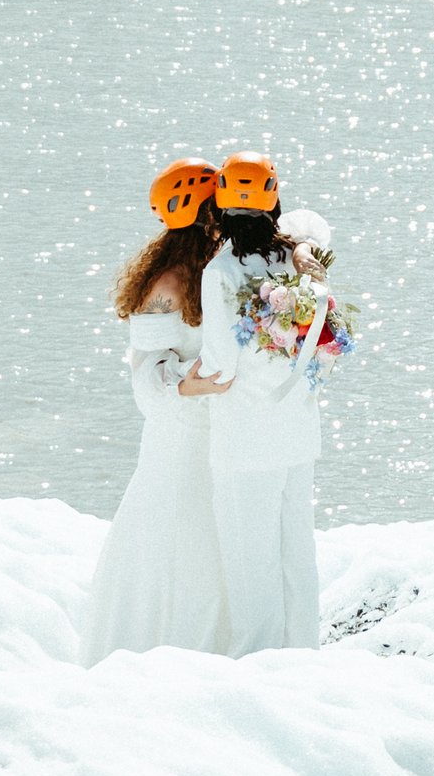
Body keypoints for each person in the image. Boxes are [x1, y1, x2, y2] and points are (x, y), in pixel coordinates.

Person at [77, 157, 234, 663]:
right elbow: (145, 379)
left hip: (230, 428)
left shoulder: (228, 270)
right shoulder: (166, 285)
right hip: (183, 437)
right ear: (205, 214)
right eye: (223, 206)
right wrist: (185, 388)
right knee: (186, 542)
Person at [197, 149, 334, 656]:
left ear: (221, 205)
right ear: (273, 200)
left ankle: (258, 661)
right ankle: (304, 651)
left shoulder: (221, 271)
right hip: (297, 433)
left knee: (249, 557)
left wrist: (183, 382)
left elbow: (219, 366)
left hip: (243, 440)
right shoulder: (298, 259)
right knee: (297, 551)